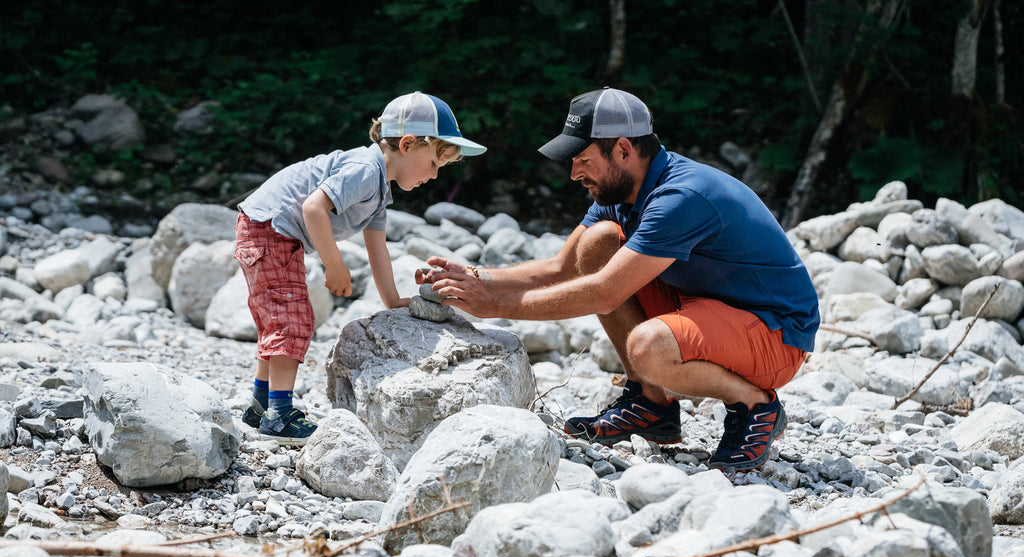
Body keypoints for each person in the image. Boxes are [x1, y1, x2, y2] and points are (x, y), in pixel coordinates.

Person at [418, 87, 818, 471]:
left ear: (623, 149)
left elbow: (605, 291)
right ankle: (651, 405)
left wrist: (494, 307)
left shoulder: (681, 196)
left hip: (775, 333)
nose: (574, 172)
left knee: (649, 348)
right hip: (712, 309)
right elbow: (562, 267)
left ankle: (755, 404)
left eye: (583, 159)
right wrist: (476, 277)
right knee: (597, 244)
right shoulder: (622, 192)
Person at [235, 92, 485, 445]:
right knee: (292, 319)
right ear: (409, 143)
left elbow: (376, 246)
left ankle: (261, 407)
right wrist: (334, 264)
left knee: (277, 317)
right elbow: (312, 208)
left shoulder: (380, 190)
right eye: (433, 164)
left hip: (266, 231)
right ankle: (279, 416)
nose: (433, 175)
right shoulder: (366, 170)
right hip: (271, 230)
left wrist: (392, 299)